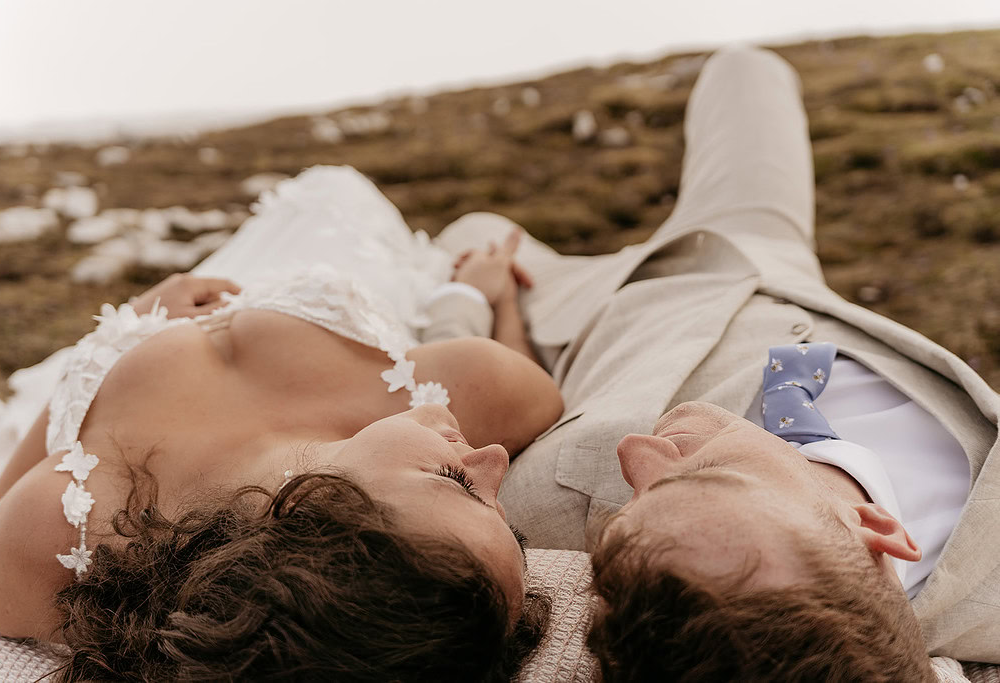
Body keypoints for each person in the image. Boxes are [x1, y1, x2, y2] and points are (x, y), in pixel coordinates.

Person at [424, 45, 1000, 680]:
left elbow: (477, 391)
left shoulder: (539, 511)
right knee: (746, 67)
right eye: (712, 477)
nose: (636, 452)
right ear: (874, 527)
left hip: (585, 311)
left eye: (624, 514)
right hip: (763, 251)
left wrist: (483, 298)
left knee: (469, 230)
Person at [0, 166, 561, 681]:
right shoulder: (485, 385)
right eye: (505, 514)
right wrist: (490, 296)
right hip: (340, 238)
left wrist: (122, 327)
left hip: (209, 282)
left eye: (457, 482)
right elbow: (510, 363)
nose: (493, 459)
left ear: (318, 516)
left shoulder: (62, 532)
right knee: (334, 186)